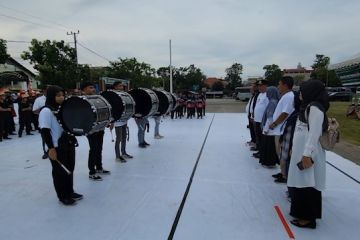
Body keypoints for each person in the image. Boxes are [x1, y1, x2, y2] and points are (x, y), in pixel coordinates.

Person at [287, 79, 329, 229]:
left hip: (309, 153)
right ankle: (301, 214)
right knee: (302, 182)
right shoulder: (307, 106)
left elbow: (314, 133)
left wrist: (306, 154)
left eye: (303, 91)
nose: (300, 94)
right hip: (301, 151)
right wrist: (294, 147)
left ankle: (308, 218)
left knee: (308, 183)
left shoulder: (315, 108)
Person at [39, 85, 82, 206]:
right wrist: (51, 149)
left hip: (68, 144)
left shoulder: (62, 108)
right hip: (56, 147)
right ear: (51, 96)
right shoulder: (46, 111)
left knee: (69, 169)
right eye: (58, 95)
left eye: (63, 95)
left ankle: (70, 191)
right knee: (59, 172)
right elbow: (45, 131)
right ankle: (62, 196)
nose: (61, 97)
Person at [81, 82, 110, 181]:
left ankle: (99, 167)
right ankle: (92, 172)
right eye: (90, 88)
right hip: (91, 129)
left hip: (100, 127)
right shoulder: (82, 101)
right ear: (84, 90)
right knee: (93, 150)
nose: (93, 89)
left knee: (99, 148)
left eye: (93, 87)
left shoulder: (97, 98)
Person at [269, 76, 295, 183]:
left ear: (285, 85)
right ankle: (283, 172)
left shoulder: (289, 97)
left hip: (282, 128)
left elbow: (285, 113)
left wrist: (275, 123)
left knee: (283, 152)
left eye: (279, 84)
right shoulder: (285, 96)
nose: (278, 86)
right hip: (279, 129)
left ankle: (285, 175)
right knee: (279, 152)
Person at [110, 81, 133, 162]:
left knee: (124, 137)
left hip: (124, 120)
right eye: (119, 86)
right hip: (117, 121)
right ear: (115, 87)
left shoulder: (123, 95)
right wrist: (111, 122)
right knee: (118, 138)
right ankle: (117, 156)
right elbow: (112, 109)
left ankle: (123, 152)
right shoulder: (113, 95)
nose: (121, 87)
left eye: (122, 86)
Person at [259, 86, 280, 167]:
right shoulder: (274, 101)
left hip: (269, 129)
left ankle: (269, 162)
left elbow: (270, 117)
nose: (267, 94)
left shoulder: (272, 102)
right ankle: (270, 162)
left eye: (268, 92)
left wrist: (266, 129)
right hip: (271, 128)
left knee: (268, 146)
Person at [252, 79, 269, 158]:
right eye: (258, 86)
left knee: (262, 138)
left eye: (261, 86)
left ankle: (262, 153)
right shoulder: (260, 94)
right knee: (258, 136)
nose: (259, 87)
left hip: (262, 121)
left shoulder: (267, 95)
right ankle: (259, 150)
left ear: (266, 86)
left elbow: (268, 109)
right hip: (257, 120)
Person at [32, 88, 48, 159]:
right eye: (47, 90)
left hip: (55, 122)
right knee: (45, 138)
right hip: (43, 122)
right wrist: (44, 108)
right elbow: (34, 111)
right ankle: (46, 152)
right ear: (43, 91)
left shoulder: (55, 98)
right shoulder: (38, 100)